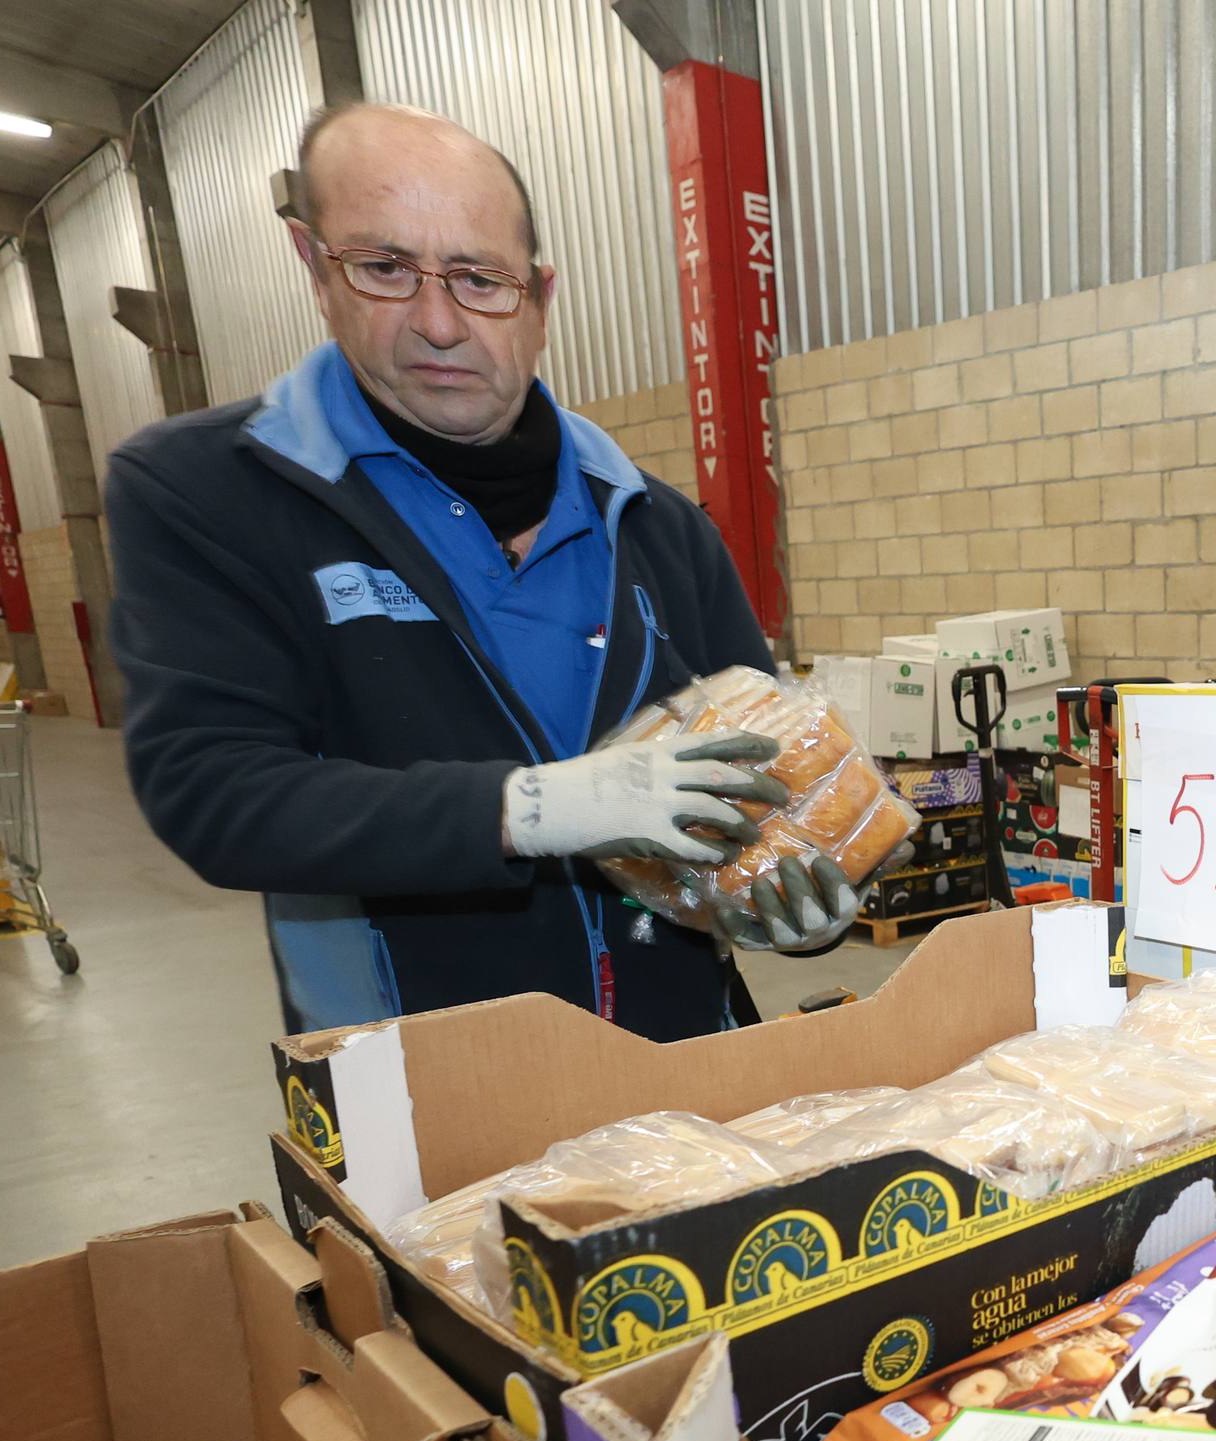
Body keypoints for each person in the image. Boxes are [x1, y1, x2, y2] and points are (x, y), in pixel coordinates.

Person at [106, 103, 852, 1042]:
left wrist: (790, 895)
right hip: (412, 1081)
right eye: (383, 268)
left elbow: (761, 776)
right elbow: (213, 792)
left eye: (478, 278)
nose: (438, 322)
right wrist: (529, 809)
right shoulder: (211, 490)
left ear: (538, 296)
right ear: (313, 266)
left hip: (678, 1062)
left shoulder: (659, 524)